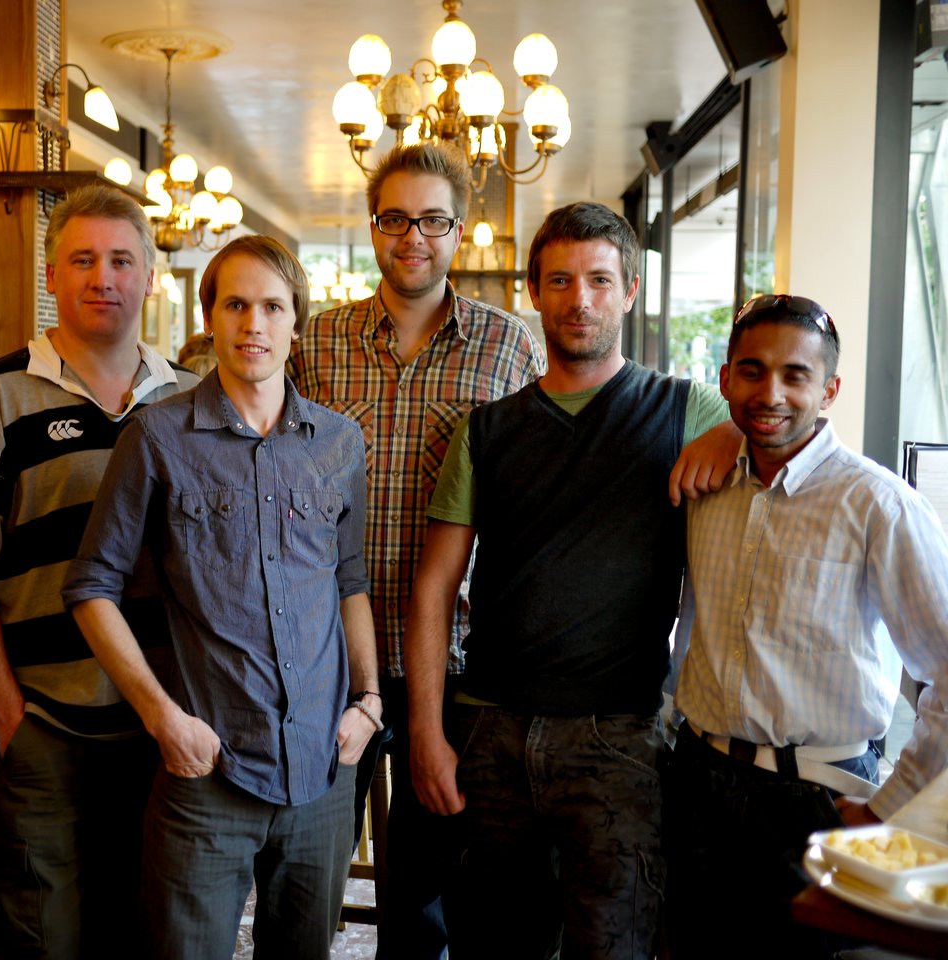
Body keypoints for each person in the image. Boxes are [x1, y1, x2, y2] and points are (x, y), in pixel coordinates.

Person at [405, 201, 737, 960]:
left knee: (614, 945)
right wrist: (427, 732)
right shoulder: (485, 431)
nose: (579, 298)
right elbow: (433, 589)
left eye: (597, 279)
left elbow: (791, 429)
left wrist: (733, 429)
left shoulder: (687, 410)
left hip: (619, 735)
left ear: (629, 291)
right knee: (491, 944)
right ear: (535, 292)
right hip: (490, 730)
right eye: (560, 280)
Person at [63, 235, 381, 960]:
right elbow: (91, 586)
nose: (254, 323)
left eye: (273, 306)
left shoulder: (338, 443)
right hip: (206, 770)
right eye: (236, 304)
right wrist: (163, 719)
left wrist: (369, 702)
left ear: (297, 323)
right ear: (211, 318)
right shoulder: (157, 436)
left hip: (321, 771)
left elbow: (349, 581)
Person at [0, 184, 198, 959]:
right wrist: (7, 709)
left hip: (164, 723)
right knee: (45, 935)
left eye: (120, 260)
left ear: (149, 277)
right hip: (46, 722)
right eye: (82, 259)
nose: (102, 277)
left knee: (151, 927)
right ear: (52, 276)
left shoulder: (190, 401)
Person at [286, 142, 544, 958]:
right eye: (396, 218)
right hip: (331, 652)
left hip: (459, 657)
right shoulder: (317, 344)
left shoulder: (509, 347)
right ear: (373, 227)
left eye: (433, 220)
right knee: (308, 865)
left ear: (459, 232)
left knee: (433, 886)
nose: (413, 237)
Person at [665, 294, 948, 958]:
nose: (772, 392)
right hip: (697, 781)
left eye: (795, 375)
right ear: (727, 377)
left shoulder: (878, 503)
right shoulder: (705, 488)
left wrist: (892, 805)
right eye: (752, 371)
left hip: (819, 798)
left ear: (830, 389)